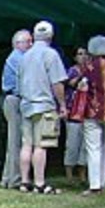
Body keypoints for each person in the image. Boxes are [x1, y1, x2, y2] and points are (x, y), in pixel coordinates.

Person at [17, 21, 67, 194]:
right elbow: (57, 83)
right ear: (51, 36)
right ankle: (39, 183)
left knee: (26, 145)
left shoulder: (25, 56)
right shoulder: (51, 54)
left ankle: (24, 182)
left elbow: (19, 82)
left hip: (25, 105)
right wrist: (62, 104)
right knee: (41, 145)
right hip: (44, 105)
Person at [0, 29, 32, 188]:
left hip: (12, 100)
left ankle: (7, 178)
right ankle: (15, 179)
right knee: (16, 142)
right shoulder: (19, 58)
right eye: (28, 41)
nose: (31, 44)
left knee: (13, 141)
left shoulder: (15, 57)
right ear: (18, 43)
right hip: (15, 100)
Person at [80, 34, 105, 196]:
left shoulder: (90, 66)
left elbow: (83, 85)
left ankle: (94, 185)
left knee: (93, 148)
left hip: (93, 111)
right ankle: (103, 180)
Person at [64, 46, 89, 187]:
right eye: (80, 54)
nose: (83, 56)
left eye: (85, 54)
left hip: (87, 113)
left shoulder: (92, 72)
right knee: (72, 144)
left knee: (85, 146)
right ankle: (69, 175)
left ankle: (82, 175)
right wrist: (82, 74)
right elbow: (71, 83)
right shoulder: (72, 71)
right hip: (73, 112)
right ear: (75, 57)